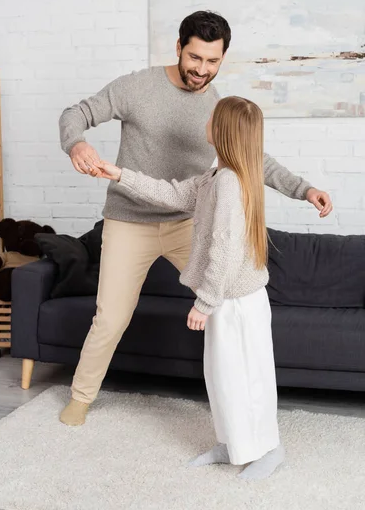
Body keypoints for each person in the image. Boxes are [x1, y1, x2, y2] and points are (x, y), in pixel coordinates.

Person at [58, 11, 333, 428]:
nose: (202, 70)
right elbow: (75, 114)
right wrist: (76, 144)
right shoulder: (137, 87)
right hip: (129, 220)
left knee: (225, 301)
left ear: (223, 58)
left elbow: (252, 156)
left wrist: (303, 189)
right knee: (111, 317)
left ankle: (240, 409)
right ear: (178, 48)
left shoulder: (215, 103)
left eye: (212, 61)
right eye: (195, 58)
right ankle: (80, 398)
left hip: (188, 222)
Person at [93, 95, 285, 480]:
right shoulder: (216, 176)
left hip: (238, 300)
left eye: (212, 116)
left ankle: (269, 449)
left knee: (249, 376)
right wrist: (120, 175)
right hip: (227, 299)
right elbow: (174, 194)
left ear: (223, 130)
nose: (206, 119)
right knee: (222, 375)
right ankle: (232, 443)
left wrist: (205, 301)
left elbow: (225, 249)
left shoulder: (231, 182)